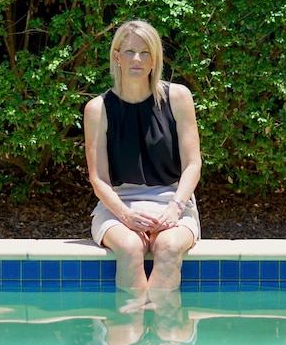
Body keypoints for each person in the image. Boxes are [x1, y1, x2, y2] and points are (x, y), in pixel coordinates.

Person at [84, 20, 201, 293]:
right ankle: (129, 329)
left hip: (173, 201)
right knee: (129, 246)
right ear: (117, 57)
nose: (137, 59)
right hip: (118, 204)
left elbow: (193, 164)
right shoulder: (97, 109)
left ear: (155, 59)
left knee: (169, 247)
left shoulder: (178, 97)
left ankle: (164, 330)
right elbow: (98, 178)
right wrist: (125, 215)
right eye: (129, 51)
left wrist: (175, 207)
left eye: (145, 52)